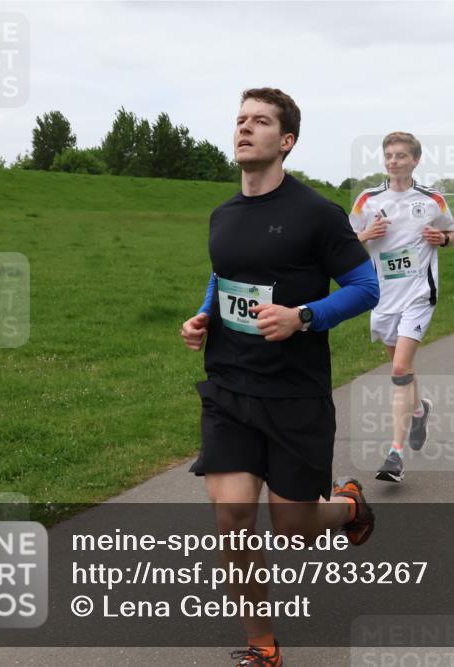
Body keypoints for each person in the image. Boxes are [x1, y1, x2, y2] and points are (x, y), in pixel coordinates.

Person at [180, 87, 380, 667]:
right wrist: (202, 318)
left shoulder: (317, 214)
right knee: (234, 513)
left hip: (294, 392)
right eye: (240, 119)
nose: (245, 128)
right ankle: (261, 645)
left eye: (260, 121)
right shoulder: (224, 214)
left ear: (285, 140)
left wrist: (303, 317)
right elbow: (225, 278)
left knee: (294, 528)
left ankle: (348, 506)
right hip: (230, 386)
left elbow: (366, 288)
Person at [349, 131, 454, 484]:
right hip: (382, 298)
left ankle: (394, 454)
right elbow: (345, 241)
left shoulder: (432, 200)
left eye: (401, 156)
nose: (394, 161)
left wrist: (442, 239)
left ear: (415, 160)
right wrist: (366, 235)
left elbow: (450, 234)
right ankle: (420, 410)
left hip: (418, 295)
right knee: (402, 368)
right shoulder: (367, 200)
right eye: (389, 155)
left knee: (398, 369)